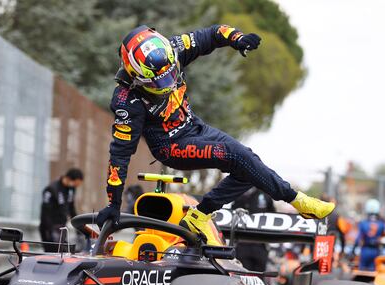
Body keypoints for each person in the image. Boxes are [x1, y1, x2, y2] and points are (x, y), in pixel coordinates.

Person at [97, 25, 335, 245]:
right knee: (236, 156)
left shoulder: (175, 48)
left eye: (171, 74)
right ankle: (296, 199)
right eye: (159, 81)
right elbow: (120, 154)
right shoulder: (126, 101)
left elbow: (213, 34)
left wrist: (237, 39)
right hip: (170, 145)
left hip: (195, 126)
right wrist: (114, 203)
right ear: (137, 75)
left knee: (248, 163)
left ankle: (199, 216)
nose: (168, 84)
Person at [39, 168, 84, 252]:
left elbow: (71, 209)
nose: (75, 187)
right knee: (53, 254)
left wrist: (79, 227)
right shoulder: (51, 189)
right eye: (75, 184)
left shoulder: (71, 189)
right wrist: (50, 231)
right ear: (70, 179)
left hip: (61, 228)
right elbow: (45, 213)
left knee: (65, 253)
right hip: (48, 229)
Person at [232, 187, 275, 271]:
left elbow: (273, 215)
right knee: (243, 274)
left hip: (261, 245)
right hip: (242, 244)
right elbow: (233, 211)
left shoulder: (265, 194)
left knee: (259, 276)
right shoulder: (240, 192)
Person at [352, 199, 385, 271]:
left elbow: (358, 238)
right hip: (376, 251)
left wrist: (353, 250)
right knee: (373, 273)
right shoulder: (381, 224)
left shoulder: (363, 223)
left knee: (362, 273)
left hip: (365, 250)